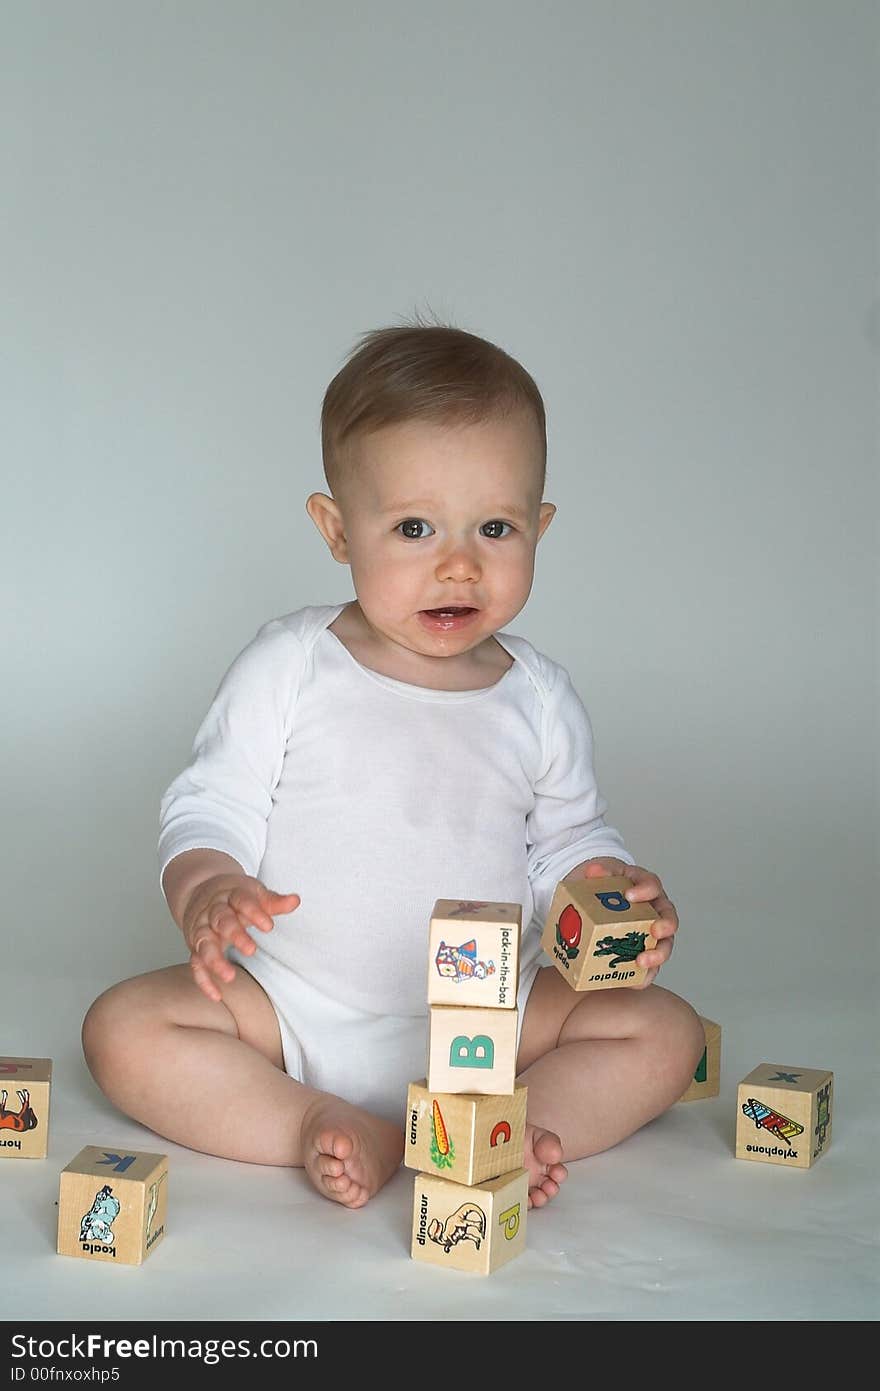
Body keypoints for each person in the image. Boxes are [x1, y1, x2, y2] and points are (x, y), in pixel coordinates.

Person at [82, 321, 704, 1211]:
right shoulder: (293, 663)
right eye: (413, 526)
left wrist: (612, 897)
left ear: (541, 526)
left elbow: (570, 840)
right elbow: (208, 806)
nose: (458, 562)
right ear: (337, 530)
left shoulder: (537, 696)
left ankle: (509, 1126)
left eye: (496, 526)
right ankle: (312, 1119)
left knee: (661, 1031)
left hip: (494, 1018)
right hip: (293, 1005)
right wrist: (208, 889)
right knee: (125, 1028)